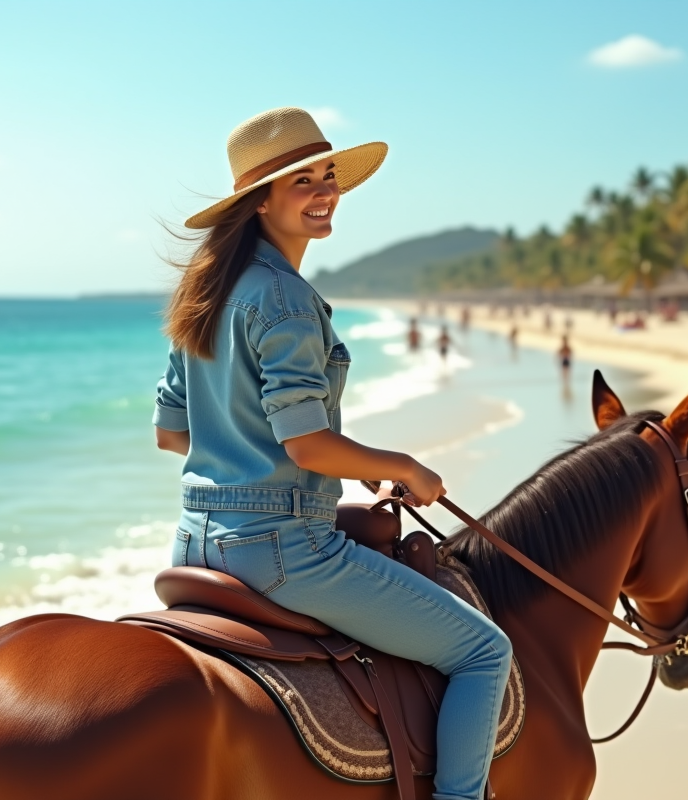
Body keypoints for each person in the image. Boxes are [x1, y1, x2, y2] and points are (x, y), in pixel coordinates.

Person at [152, 108, 511, 800]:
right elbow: (307, 443)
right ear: (260, 201)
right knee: (482, 650)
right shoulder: (283, 298)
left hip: (195, 540)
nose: (324, 193)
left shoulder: (204, 292)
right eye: (301, 182)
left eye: (328, 177)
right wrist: (400, 467)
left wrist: (258, 466)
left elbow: (173, 434)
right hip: (281, 551)